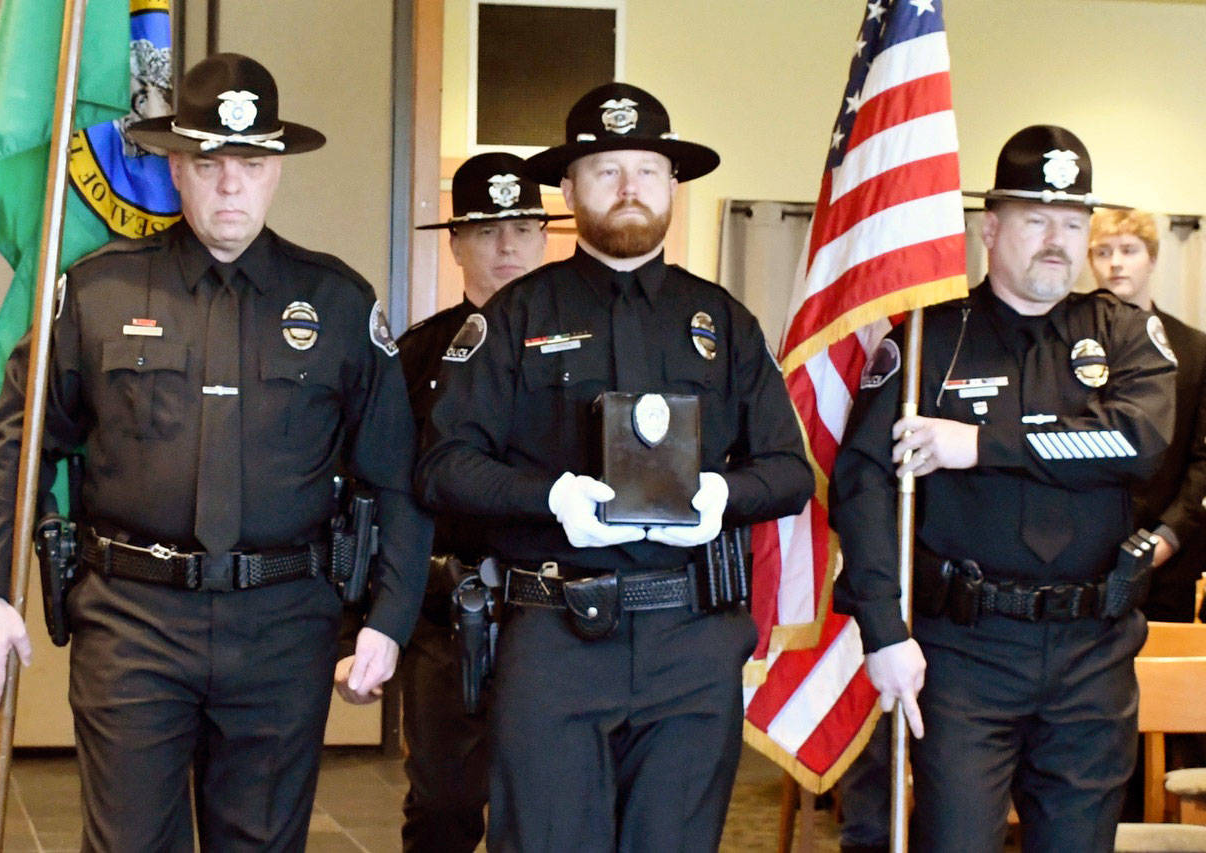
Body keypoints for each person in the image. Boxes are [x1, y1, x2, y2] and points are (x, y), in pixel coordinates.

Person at [0, 53, 429, 850]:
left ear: (276, 169)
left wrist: (388, 618)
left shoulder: (339, 303)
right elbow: (21, 444)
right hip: (132, 621)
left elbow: (394, 476)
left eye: (250, 163)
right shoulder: (98, 292)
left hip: (283, 624)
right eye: (209, 164)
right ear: (176, 168)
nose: (230, 186)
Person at [415, 82, 814, 851]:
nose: (630, 187)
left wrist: (721, 494)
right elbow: (443, 467)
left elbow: (789, 472)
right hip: (555, 636)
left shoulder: (724, 322)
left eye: (648, 170)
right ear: (569, 190)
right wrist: (550, 497)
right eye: (606, 170)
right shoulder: (513, 319)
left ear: (673, 184)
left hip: (691, 638)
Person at [831, 125, 1177, 852]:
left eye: (1072, 224)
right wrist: (883, 628)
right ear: (989, 228)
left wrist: (979, 445)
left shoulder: (1121, 333)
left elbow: (1138, 441)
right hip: (964, 651)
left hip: (1092, 648)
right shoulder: (928, 337)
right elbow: (861, 488)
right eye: (1036, 220)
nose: (1057, 242)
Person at [394, 152, 567, 852]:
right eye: (487, 231)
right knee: (443, 806)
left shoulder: (584, 345)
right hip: (449, 612)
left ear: (545, 239)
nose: (507, 247)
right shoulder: (417, 355)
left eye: (523, 228)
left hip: (559, 613)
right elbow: (386, 491)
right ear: (456, 243)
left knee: (548, 810)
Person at [1090, 208, 1206, 623]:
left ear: (1153, 258)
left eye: (1128, 250)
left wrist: (1169, 537)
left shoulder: (1194, 349)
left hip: (1168, 560)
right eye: (1103, 251)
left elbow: (1203, 462)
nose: (1116, 263)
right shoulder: (1063, 344)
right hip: (1078, 559)